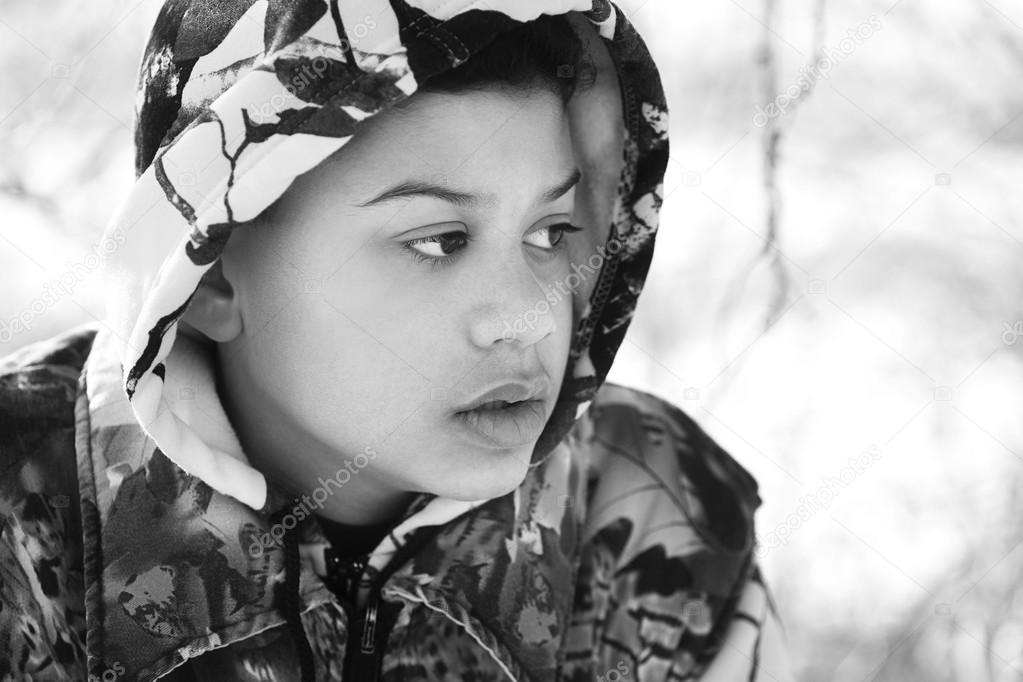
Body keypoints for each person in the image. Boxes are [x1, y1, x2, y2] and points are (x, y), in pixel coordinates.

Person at [0, 1, 796, 680]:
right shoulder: (20, 511)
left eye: (551, 232)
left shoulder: (655, 508)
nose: (531, 315)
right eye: (439, 241)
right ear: (210, 273)